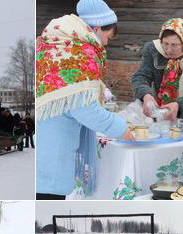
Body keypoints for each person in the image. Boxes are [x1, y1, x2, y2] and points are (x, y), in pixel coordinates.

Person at [36, 0, 131, 200]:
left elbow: (69, 88)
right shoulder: (77, 52)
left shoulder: (58, 46)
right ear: (96, 28)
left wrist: (99, 89)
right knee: (48, 203)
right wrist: (121, 128)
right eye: (107, 36)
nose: (106, 43)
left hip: (46, 144)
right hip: (53, 153)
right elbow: (83, 108)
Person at [131, 17, 183, 127]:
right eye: (165, 43)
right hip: (156, 114)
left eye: (174, 45)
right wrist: (146, 95)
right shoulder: (153, 50)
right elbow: (141, 76)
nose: (168, 50)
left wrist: (179, 105)